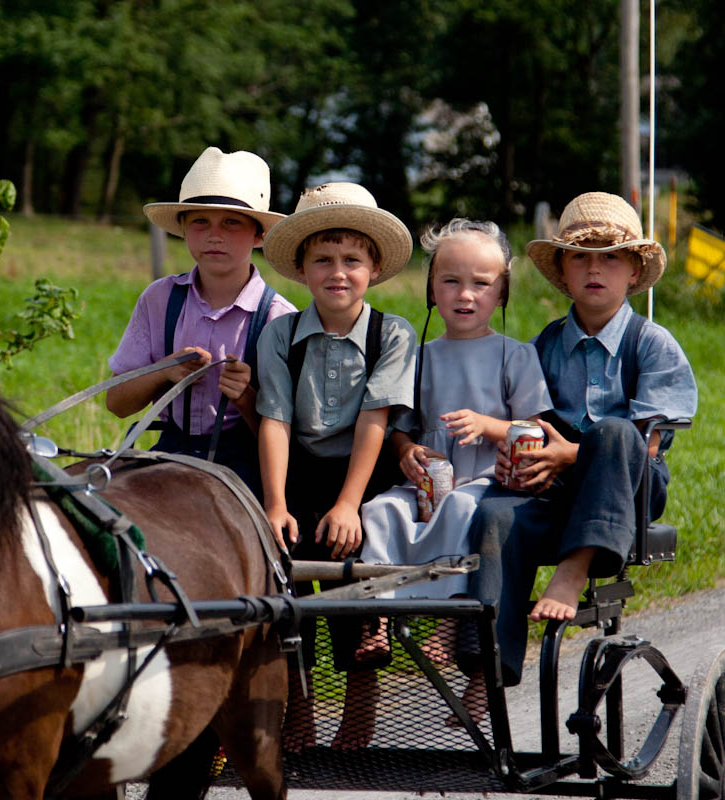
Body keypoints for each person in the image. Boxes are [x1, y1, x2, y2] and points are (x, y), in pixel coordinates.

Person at [467, 192, 697, 688]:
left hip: (629, 490)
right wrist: (520, 452)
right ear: (564, 274)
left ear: (634, 272)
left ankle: (575, 567)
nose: (596, 269)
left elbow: (648, 445)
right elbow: (521, 418)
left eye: (610, 258)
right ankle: (487, 664)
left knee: (614, 432)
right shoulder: (546, 344)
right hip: (553, 490)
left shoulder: (650, 343)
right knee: (495, 514)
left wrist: (570, 453)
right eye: (581, 258)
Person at [358, 219, 552, 721]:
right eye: (450, 281)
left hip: (487, 478)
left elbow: (533, 426)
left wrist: (489, 425)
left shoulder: (516, 355)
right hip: (428, 478)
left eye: (481, 284)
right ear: (431, 289)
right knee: (378, 512)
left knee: (464, 511)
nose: (465, 295)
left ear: (502, 293)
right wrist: (404, 451)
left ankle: (447, 623)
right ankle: (376, 616)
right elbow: (401, 424)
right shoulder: (420, 358)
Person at [256, 182, 417, 751]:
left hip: (364, 473)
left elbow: (377, 418)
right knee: (285, 583)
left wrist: (349, 503)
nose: (338, 272)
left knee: (350, 574)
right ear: (301, 269)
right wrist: (275, 503)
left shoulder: (391, 333)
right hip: (295, 471)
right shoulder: (280, 335)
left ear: (373, 267)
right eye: (322, 259)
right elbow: (273, 419)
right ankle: (296, 718)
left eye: (352, 259)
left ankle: (357, 724)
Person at [106, 147, 295, 495]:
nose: (214, 235)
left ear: (259, 235)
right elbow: (117, 403)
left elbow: (288, 437)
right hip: (169, 452)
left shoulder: (278, 318)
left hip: (246, 468)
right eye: (200, 222)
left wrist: (245, 397)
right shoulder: (159, 299)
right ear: (183, 229)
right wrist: (162, 371)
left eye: (231, 222)